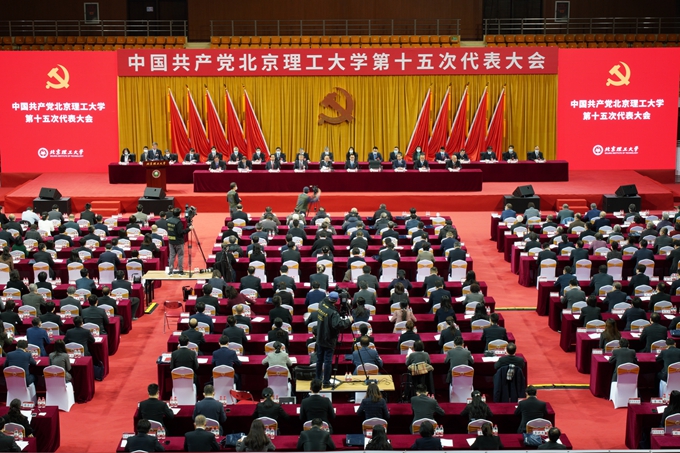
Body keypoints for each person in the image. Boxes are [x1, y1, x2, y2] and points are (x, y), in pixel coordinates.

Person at [315, 292, 352, 387]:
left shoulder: (322, 303)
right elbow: (338, 325)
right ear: (336, 301)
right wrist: (348, 320)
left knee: (319, 360)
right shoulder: (333, 313)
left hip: (320, 336)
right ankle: (326, 381)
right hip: (329, 339)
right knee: (327, 361)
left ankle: (317, 379)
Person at [167, 208, 191, 274]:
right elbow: (181, 232)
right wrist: (189, 229)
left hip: (171, 241)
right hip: (178, 242)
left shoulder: (168, 220)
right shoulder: (178, 222)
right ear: (179, 214)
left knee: (172, 256)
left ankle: (170, 270)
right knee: (180, 256)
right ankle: (180, 270)